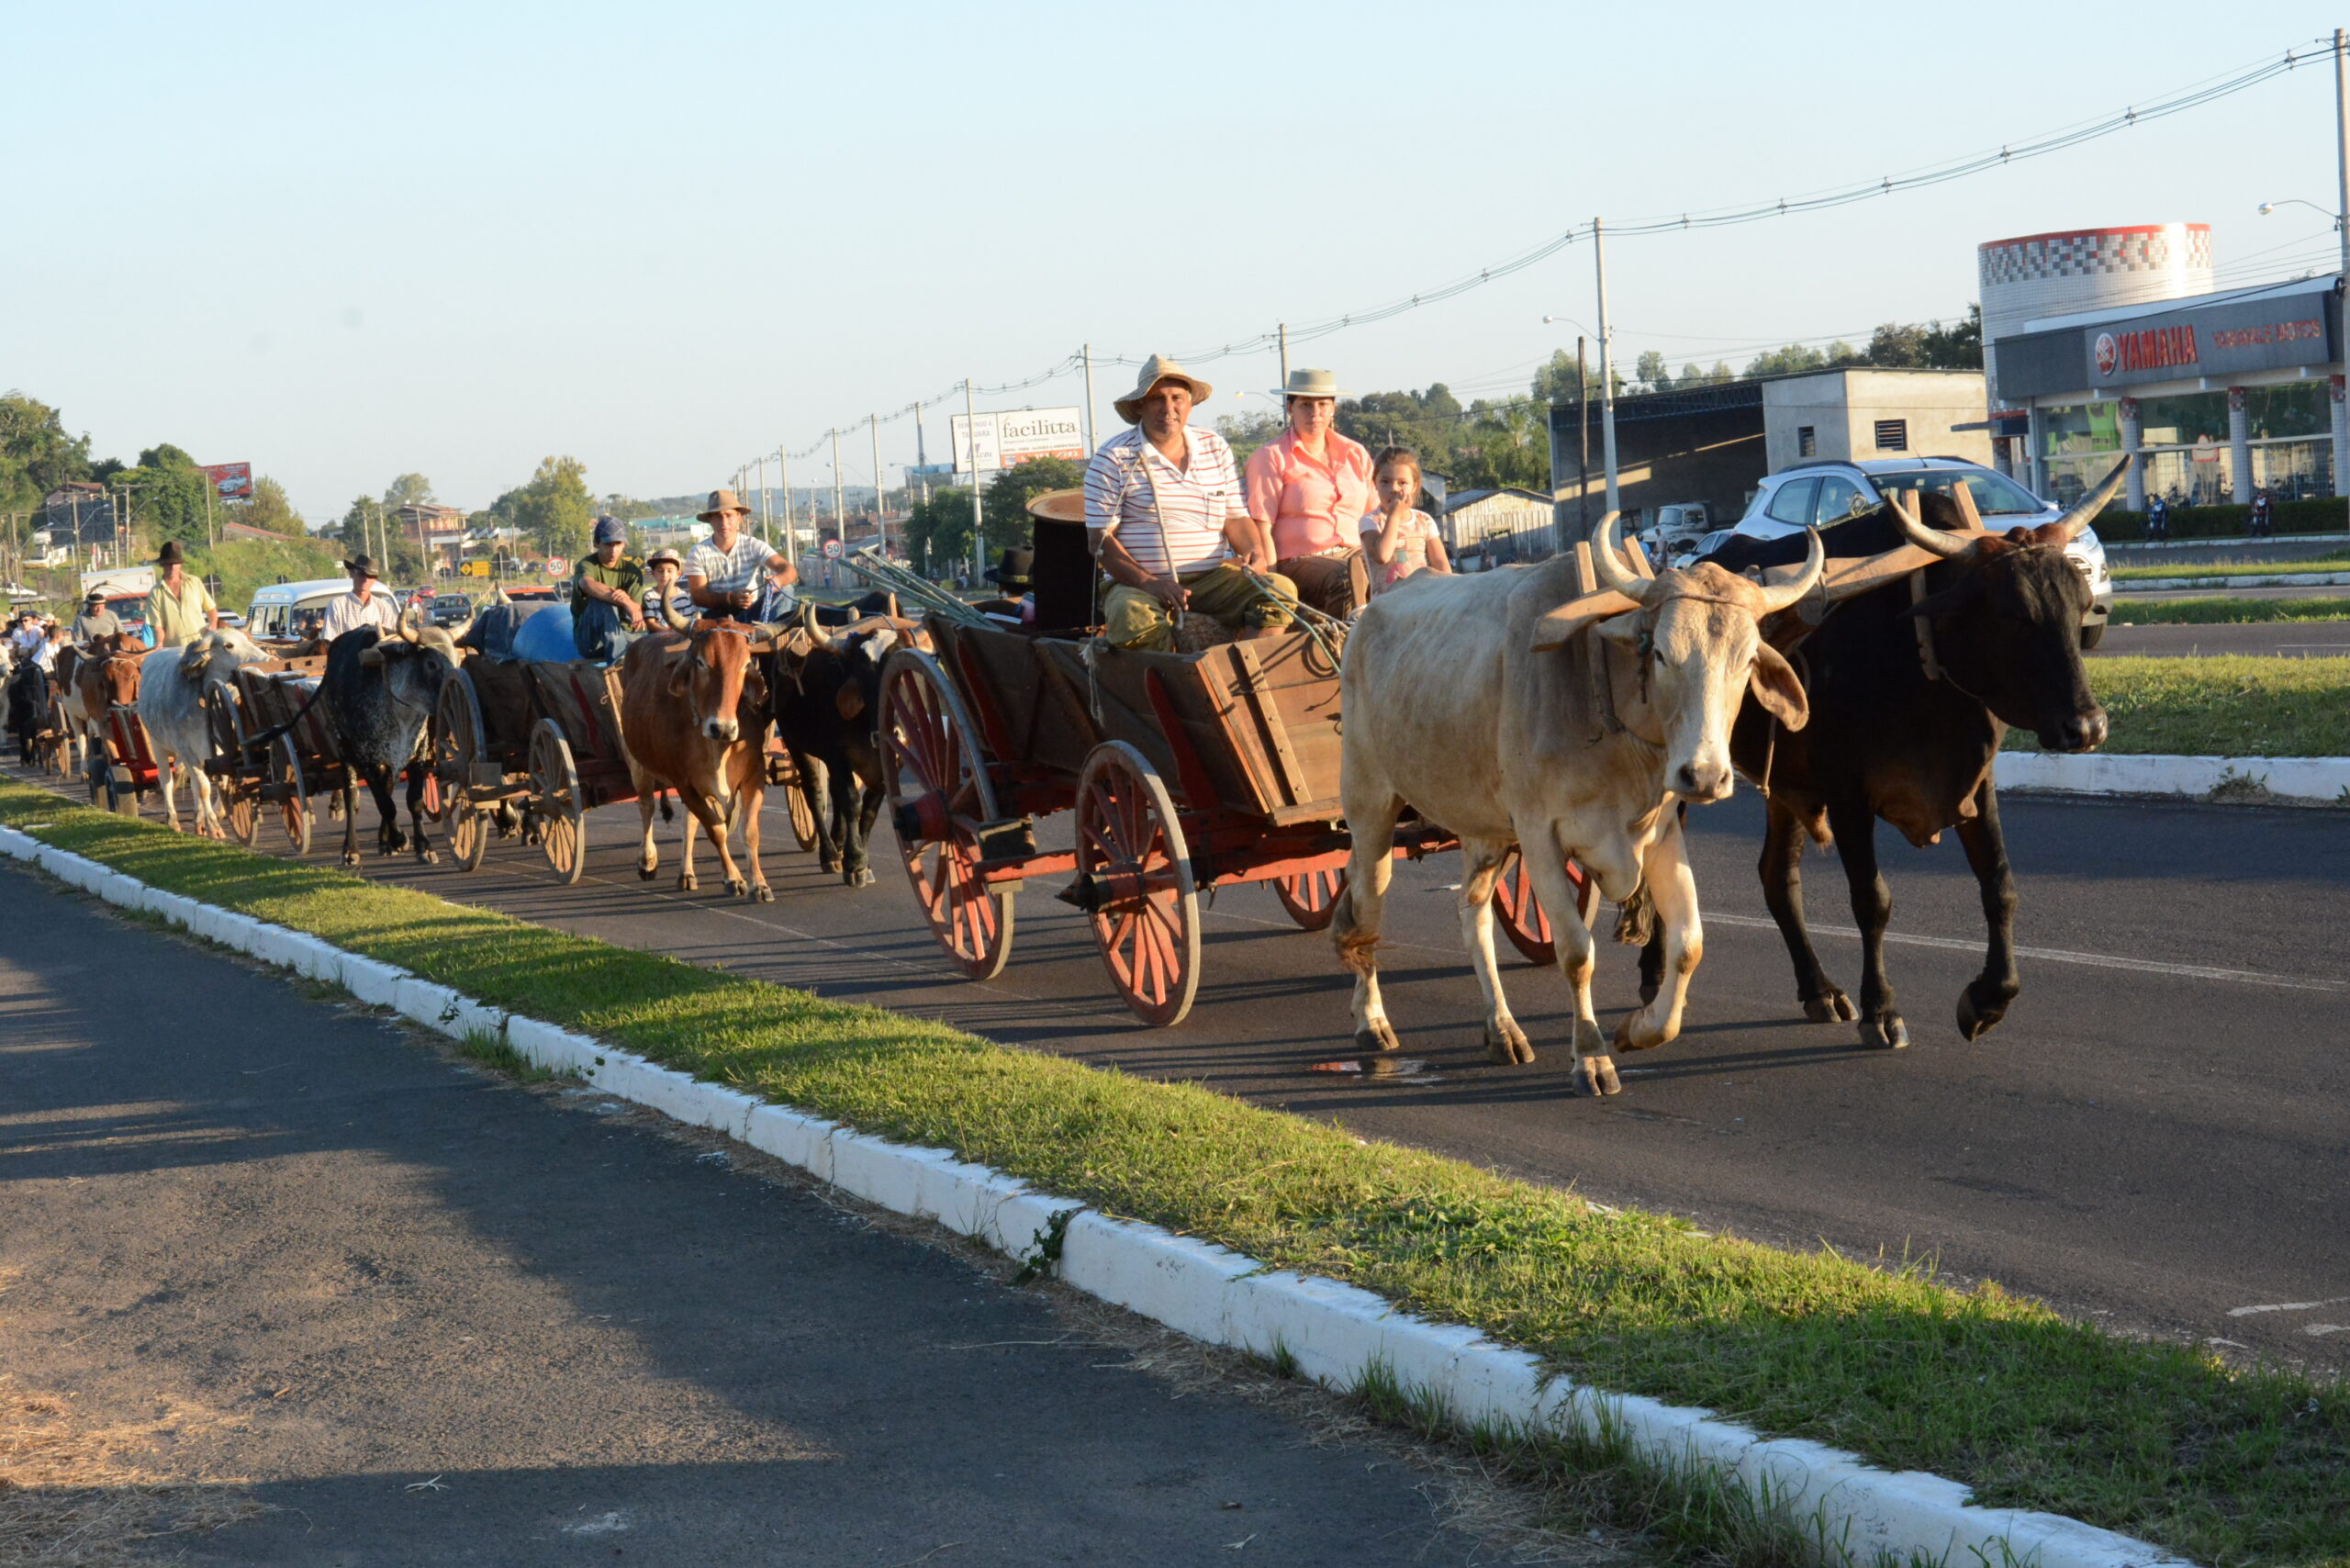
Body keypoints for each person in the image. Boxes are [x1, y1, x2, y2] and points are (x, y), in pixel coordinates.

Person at [1085, 354, 1296, 652]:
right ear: (1140, 406)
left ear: (1189, 404)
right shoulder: (1114, 457)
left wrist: (1254, 552)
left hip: (1210, 579)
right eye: (1157, 398)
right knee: (1132, 617)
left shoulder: (1214, 447)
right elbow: (1101, 543)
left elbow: (1235, 519)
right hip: (1138, 586)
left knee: (1279, 590)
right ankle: (1164, 694)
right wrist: (1149, 584)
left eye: (1177, 398)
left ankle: (1240, 679)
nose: (1168, 408)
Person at [1245, 368, 1375, 620]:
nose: (1315, 413)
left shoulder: (1355, 453)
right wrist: (1273, 583)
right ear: (1290, 407)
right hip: (1300, 561)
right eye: (1306, 405)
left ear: (1333, 409)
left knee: (1404, 567)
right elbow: (1263, 527)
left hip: (1356, 553)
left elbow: (1374, 517)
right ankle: (1346, 652)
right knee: (1347, 578)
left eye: (1323, 404)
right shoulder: (1271, 456)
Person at [685, 489, 795, 624]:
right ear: (711, 521)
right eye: (718, 516)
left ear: (739, 518)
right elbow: (698, 596)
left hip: (750, 613)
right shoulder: (698, 552)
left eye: (729, 515)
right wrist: (730, 598)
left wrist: (778, 580)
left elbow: (789, 570)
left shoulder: (753, 545)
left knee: (785, 588)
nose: (724, 522)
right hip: (716, 619)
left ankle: (769, 632)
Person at [1359, 447, 1451, 594]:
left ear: (1414, 486)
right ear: (1374, 483)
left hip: (1421, 598)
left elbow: (1440, 563)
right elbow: (1382, 556)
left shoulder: (1424, 521)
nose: (1393, 489)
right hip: (1387, 604)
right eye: (1385, 482)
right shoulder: (1371, 521)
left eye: (1402, 483)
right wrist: (1394, 515)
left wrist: (1447, 592)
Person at [571, 516, 646, 661]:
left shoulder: (632, 570)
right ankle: (617, 662)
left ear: (624, 544)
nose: (613, 550)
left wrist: (631, 604)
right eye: (608, 544)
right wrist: (624, 601)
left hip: (625, 634)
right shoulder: (587, 565)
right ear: (597, 544)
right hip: (591, 641)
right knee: (601, 603)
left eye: (618, 544)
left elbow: (636, 609)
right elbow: (587, 584)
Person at [145, 541, 218, 646]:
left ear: (180, 565)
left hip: (201, 644)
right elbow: (157, 626)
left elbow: (211, 608)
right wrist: (160, 642)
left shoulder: (194, 582)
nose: (172, 567)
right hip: (175, 650)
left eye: (175, 564)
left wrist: (213, 624)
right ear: (162, 565)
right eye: (168, 564)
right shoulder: (155, 593)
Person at [320, 554, 403, 641]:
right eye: (362, 574)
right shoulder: (337, 605)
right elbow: (329, 641)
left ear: (375, 579)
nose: (366, 579)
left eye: (371, 576)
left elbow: (391, 642)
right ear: (351, 574)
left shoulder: (384, 608)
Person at [642, 548, 694, 627]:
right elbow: (650, 623)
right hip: (658, 637)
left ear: (678, 574)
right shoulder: (649, 597)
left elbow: (688, 622)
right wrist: (666, 633)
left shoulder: (684, 597)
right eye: (660, 571)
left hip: (681, 636)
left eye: (670, 571)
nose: (665, 575)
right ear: (653, 573)